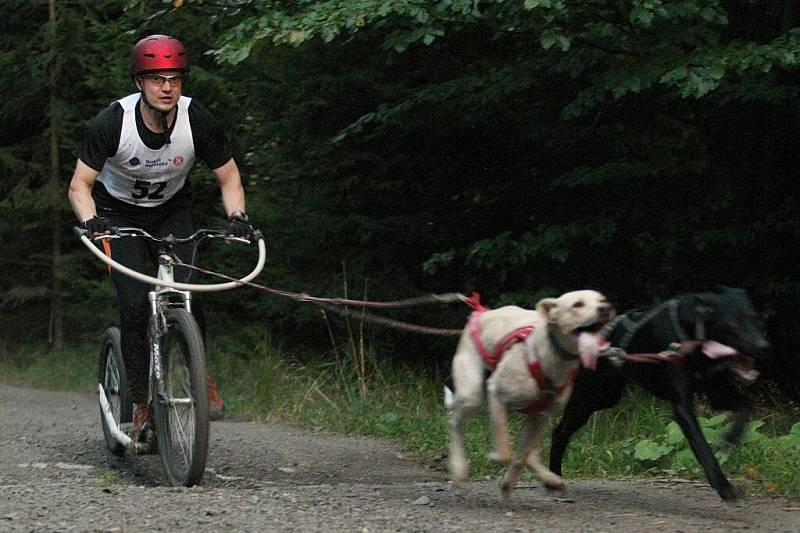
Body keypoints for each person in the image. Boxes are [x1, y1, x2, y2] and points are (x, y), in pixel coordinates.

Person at [67, 34, 252, 429]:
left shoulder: (197, 119)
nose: (166, 87)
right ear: (139, 82)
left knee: (190, 294)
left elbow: (229, 175)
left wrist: (238, 217)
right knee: (135, 305)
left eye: (174, 78)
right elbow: (79, 185)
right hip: (117, 215)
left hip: (172, 212)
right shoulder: (113, 121)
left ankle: (196, 374)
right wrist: (92, 221)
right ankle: (139, 402)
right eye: (156, 79)